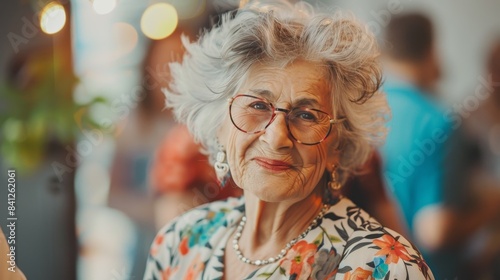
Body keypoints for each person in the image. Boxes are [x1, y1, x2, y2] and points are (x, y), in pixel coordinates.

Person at [144, 1, 433, 279]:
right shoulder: (179, 243)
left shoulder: (384, 268)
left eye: (306, 115)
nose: (277, 136)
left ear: (339, 145)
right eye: (257, 106)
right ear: (220, 124)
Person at [380, 13, 500, 279]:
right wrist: (493, 207)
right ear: (431, 49)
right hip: (428, 270)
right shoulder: (437, 122)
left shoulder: (365, 109)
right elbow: (435, 231)